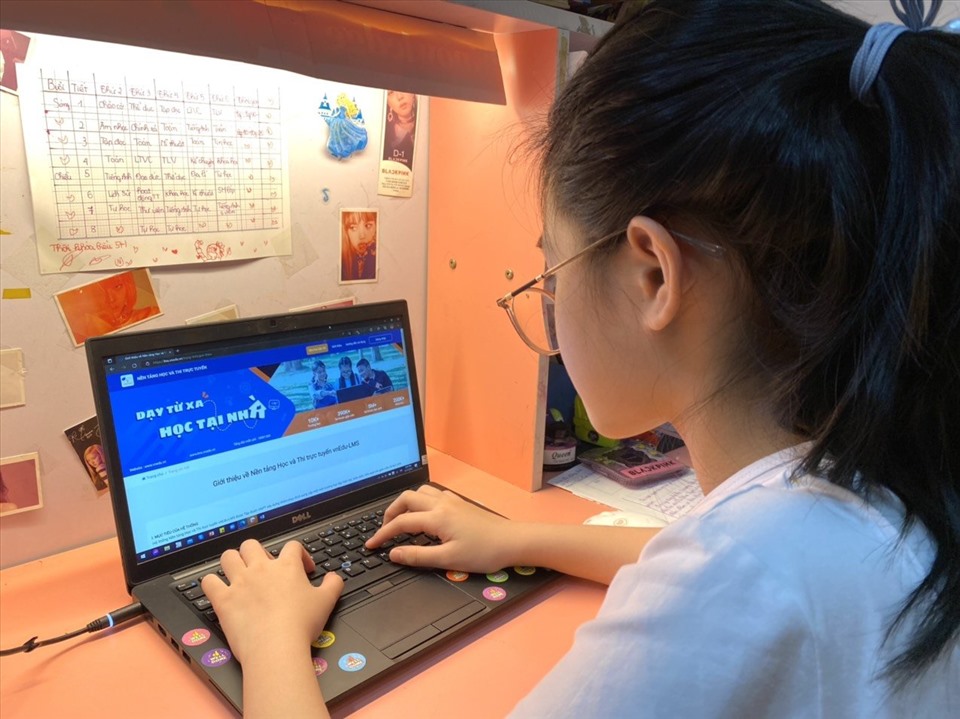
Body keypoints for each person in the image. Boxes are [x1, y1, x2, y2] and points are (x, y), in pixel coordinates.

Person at [201, 2, 960, 716]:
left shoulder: (733, 579)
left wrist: (272, 643)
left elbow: (726, 575)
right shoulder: (874, 479)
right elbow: (698, 554)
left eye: (552, 270)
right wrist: (519, 537)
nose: (550, 301)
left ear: (653, 276)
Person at [339, 210, 377, 282]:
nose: (362, 236)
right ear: (346, 232)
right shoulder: (341, 262)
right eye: (353, 228)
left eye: (368, 226)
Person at [382, 91, 417, 168]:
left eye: (404, 88)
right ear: (387, 102)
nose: (400, 97)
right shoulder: (385, 135)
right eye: (391, 93)